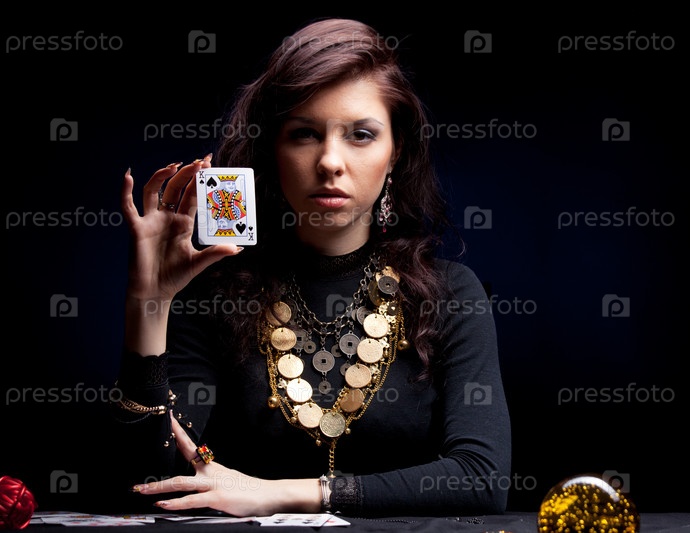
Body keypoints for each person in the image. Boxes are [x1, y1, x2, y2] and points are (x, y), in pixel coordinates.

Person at [112, 17, 511, 518]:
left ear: (395, 153)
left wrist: (282, 492)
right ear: (273, 151)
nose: (329, 162)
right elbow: (150, 481)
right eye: (304, 134)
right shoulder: (216, 293)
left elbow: (482, 477)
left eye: (361, 135)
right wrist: (148, 305)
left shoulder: (449, 293)